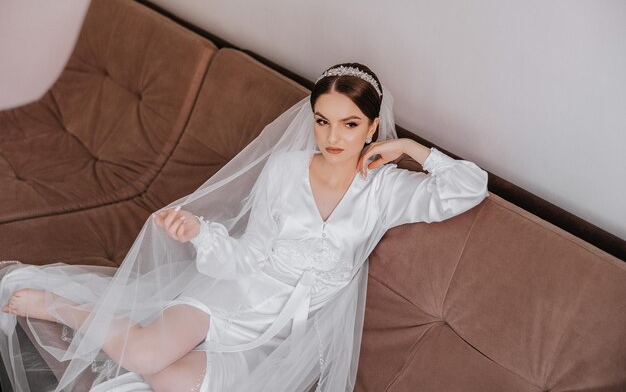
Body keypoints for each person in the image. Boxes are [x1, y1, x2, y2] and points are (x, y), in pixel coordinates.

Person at [0, 63, 489, 392]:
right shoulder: (284, 171)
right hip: (232, 295)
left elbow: (467, 188)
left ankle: (111, 328)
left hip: (282, 341)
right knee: (147, 356)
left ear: (373, 125)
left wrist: (411, 150)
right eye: (322, 122)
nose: (332, 137)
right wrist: (201, 234)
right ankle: (63, 306)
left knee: (167, 382)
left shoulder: (386, 190)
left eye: (349, 124)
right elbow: (249, 254)